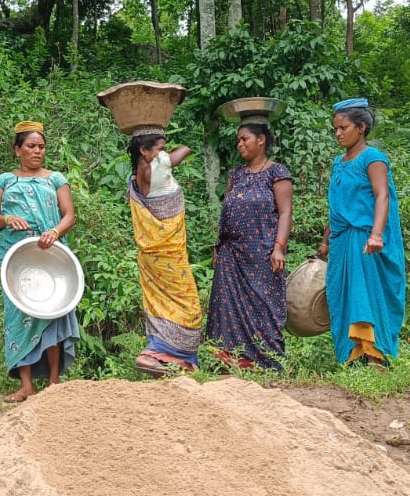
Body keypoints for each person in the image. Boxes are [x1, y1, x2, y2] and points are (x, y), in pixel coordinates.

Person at [0, 121, 79, 402]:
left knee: (51, 313)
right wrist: (5, 219)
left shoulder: (55, 179)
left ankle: (53, 382)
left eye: (41, 146)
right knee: (19, 315)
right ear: (17, 150)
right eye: (30, 146)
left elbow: (69, 215)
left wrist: (55, 232)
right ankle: (25, 384)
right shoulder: (5, 180)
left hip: (51, 253)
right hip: (16, 255)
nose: (37, 151)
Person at [316, 98, 406, 367]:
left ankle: (374, 357)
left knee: (364, 295)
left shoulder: (373, 159)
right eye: (335, 129)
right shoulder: (338, 162)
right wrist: (325, 241)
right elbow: (337, 204)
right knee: (341, 295)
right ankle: (353, 356)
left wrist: (376, 235)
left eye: (343, 127)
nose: (338, 133)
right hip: (342, 240)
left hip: (366, 240)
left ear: (362, 127)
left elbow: (382, 198)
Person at [206, 117, 293, 371]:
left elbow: (285, 213)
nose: (240, 145)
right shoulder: (236, 174)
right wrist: (218, 246)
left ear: (261, 139)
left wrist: (279, 247)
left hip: (262, 252)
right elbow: (228, 210)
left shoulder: (277, 173)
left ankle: (267, 363)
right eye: (238, 140)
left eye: (244, 139)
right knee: (227, 308)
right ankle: (233, 364)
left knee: (264, 306)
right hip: (231, 254)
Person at [125, 129, 202, 376]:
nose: (163, 153)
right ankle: (154, 354)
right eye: (159, 148)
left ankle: (171, 360)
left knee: (161, 303)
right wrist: (169, 151)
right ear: (144, 152)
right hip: (167, 252)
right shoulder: (153, 169)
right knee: (189, 307)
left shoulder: (139, 173)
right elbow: (183, 152)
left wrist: (159, 149)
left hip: (153, 254)